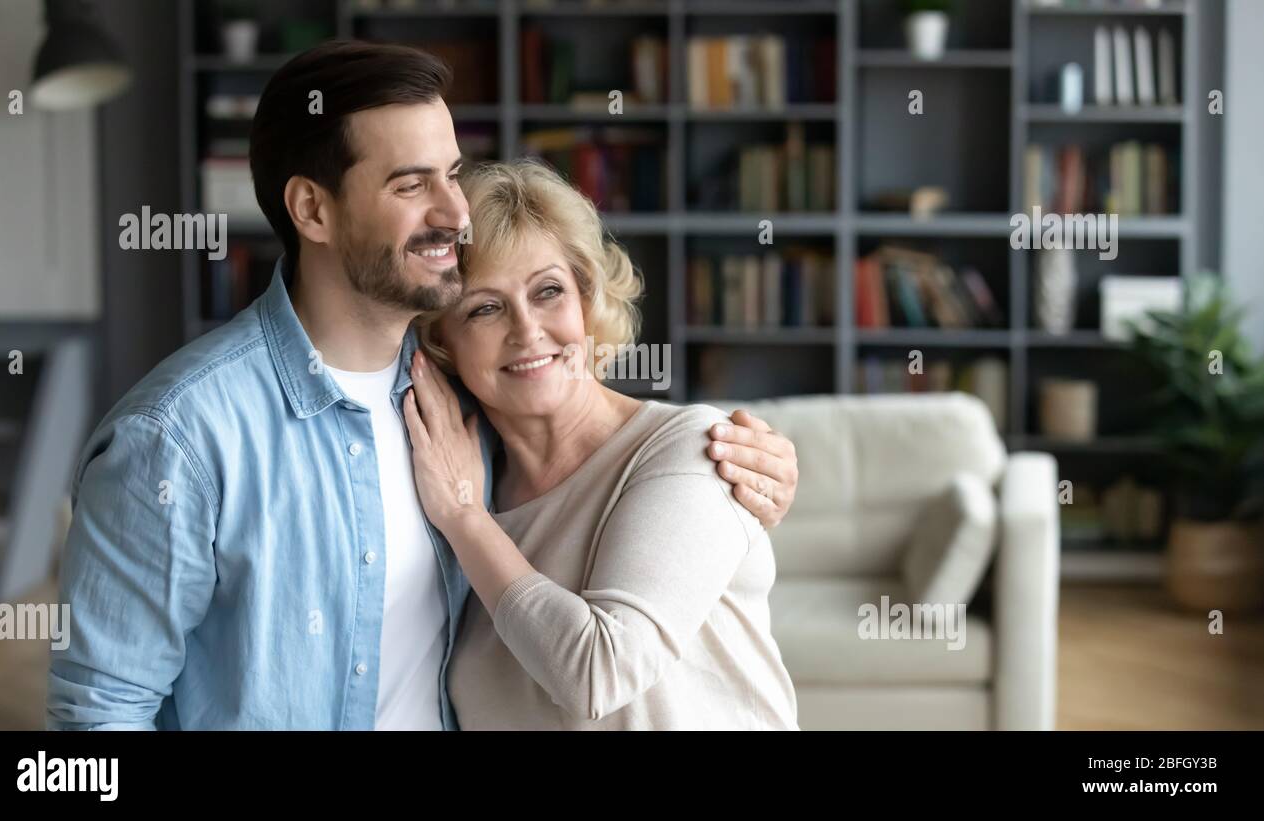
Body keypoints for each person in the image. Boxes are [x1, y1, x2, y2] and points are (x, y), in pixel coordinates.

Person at [47, 40, 800, 730]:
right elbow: (98, 716)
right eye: (412, 184)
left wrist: (758, 469)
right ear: (312, 208)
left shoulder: (463, 416)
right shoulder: (180, 436)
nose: (453, 212)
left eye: (451, 175)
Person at [405, 159, 800, 729]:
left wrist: (465, 518)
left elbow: (600, 672)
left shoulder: (690, 448)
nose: (526, 329)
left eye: (548, 291)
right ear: (442, 343)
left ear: (587, 302)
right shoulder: (464, 476)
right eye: (485, 307)